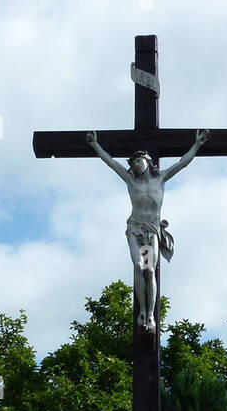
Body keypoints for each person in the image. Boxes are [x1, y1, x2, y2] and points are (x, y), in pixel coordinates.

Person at [85, 128, 210, 336]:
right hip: (135, 228)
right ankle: (141, 313)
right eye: (133, 163)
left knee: (150, 270)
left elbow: (182, 163)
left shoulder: (160, 178)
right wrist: (94, 144)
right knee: (138, 265)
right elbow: (110, 162)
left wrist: (197, 144)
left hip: (151, 231)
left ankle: (149, 314)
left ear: (147, 161)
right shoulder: (130, 180)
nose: (135, 165)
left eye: (139, 161)